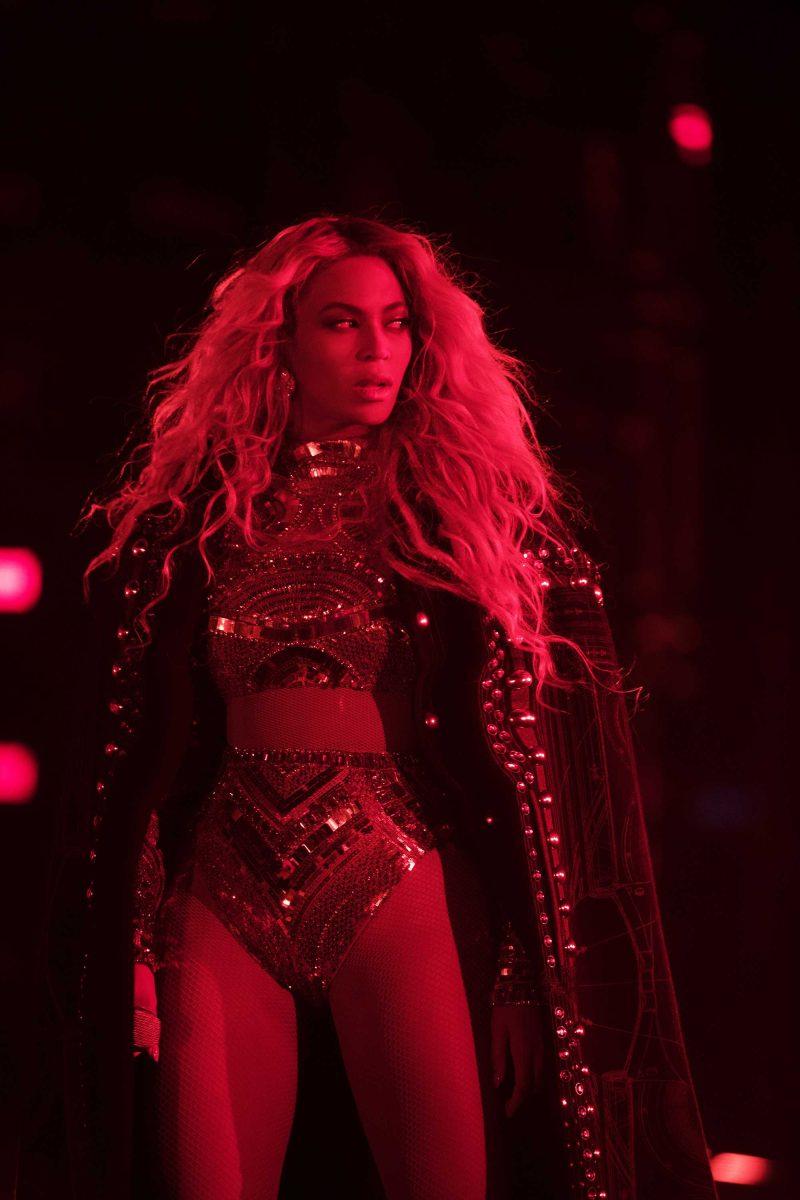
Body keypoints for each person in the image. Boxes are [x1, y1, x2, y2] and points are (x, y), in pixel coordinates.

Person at [44, 214, 719, 1199]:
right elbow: (139, 753)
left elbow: (547, 779)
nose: (376, 351)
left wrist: (519, 977)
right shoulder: (183, 525)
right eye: (342, 323)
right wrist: (135, 948)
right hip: (221, 880)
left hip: (397, 874)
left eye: (397, 323)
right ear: (279, 343)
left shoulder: (469, 515)